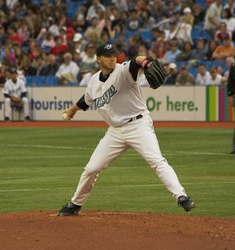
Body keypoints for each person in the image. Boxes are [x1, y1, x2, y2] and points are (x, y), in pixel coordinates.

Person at [58, 43, 196, 216]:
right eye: (108, 56)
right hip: (115, 132)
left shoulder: (123, 71)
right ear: (98, 59)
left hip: (138, 125)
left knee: (156, 161)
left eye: (114, 55)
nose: (113, 58)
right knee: (91, 169)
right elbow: (86, 100)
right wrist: (71, 111)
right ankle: (75, 204)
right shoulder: (93, 81)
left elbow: (136, 61)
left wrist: (146, 63)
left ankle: (181, 197)